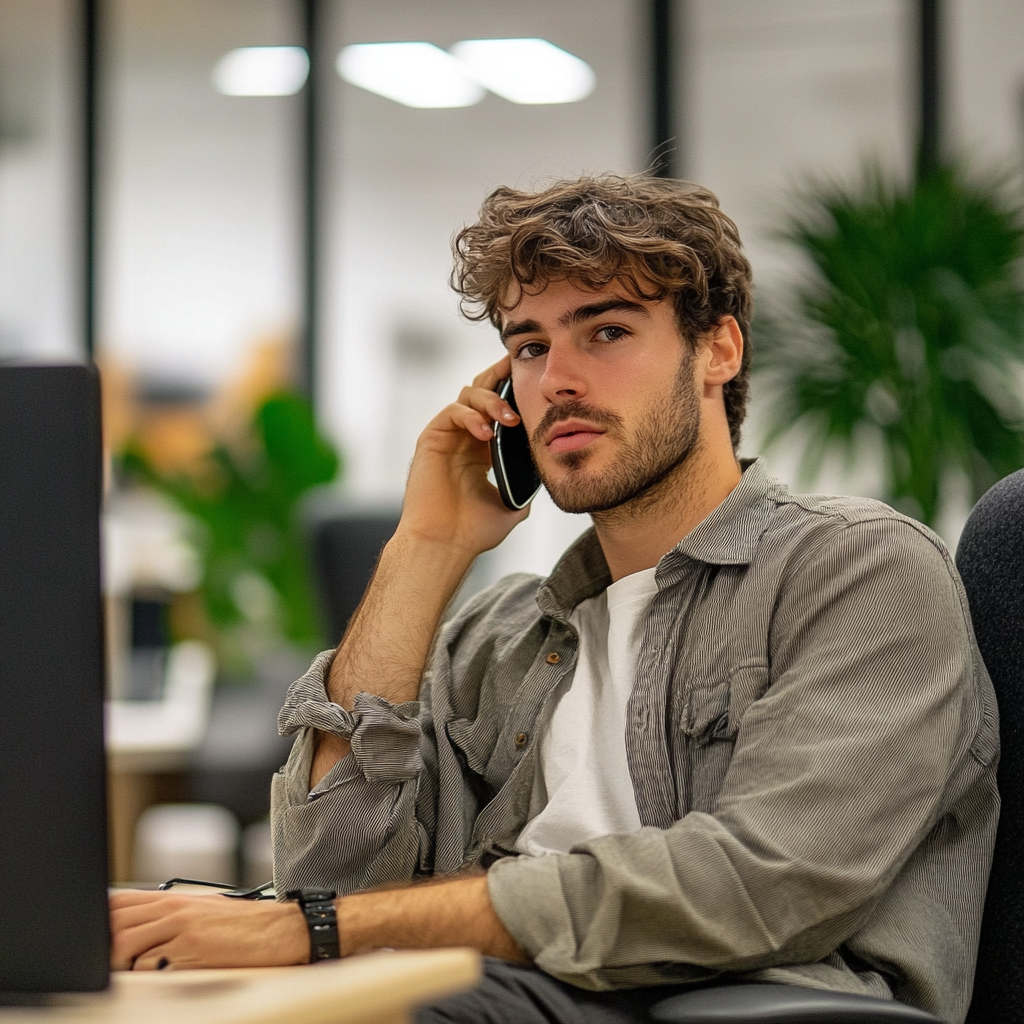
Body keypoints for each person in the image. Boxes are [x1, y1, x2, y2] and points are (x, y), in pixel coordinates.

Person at [110, 175, 998, 1024]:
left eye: (605, 332)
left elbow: (758, 888)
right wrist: (427, 548)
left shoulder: (858, 571)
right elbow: (326, 877)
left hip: (728, 1001)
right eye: (530, 346)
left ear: (717, 350)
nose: (558, 380)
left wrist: (318, 932)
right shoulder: (498, 634)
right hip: (498, 993)